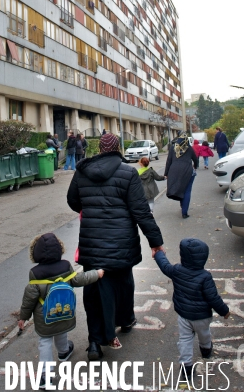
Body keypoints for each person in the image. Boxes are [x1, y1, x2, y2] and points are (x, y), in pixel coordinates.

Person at [67, 133, 164, 359]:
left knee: (93, 292)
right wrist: (156, 242)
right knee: (122, 284)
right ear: (117, 148)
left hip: (92, 244)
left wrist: (92, 210)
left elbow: (73, 201)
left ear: (100, 148)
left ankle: (94, 342)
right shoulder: (128, 173)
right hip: (121, 244)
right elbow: (141, 211)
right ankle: (126, 320)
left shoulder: (82, 171)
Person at [18, 233, 104, 389]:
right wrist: (96, 274)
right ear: (59, 249)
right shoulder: (65, 267)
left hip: (44, 315)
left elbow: (29, 298)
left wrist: (23, 317)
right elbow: (79, 279)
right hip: (64, 311)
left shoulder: (35, 274)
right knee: (61, 331)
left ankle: (45, 376)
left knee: (45, 342)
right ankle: (64, 351)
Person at [154, 238, 230, 382]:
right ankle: (206, 350)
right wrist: (224, 311)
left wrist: (158, 253)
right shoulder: (205, 277)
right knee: (204, 333)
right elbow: (213, 298)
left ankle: (186, 367)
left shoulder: (176, 270)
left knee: (185, 340)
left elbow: (165, 266)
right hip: (202, 317)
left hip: (184, 316)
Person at [165, 131, 198, 219]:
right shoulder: (189, 149)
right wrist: (195, 167)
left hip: (174, 170)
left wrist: (166, 174)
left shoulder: (173, 148)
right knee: (187, 190)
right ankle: (184, 212)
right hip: (187, 171)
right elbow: (195, 159)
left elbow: (168, 161)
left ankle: (182, 205)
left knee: (179, 188)